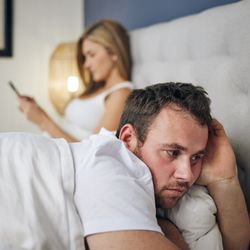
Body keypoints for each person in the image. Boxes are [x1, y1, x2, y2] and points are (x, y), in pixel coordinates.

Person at [1, 83, 249, 250]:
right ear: (128, 139)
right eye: (172, 152)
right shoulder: (114, 164)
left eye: (196, 157)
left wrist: (224, 180)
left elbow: (236, 246)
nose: (186, 175)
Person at [18, 19, 133, 142]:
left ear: (114, 52)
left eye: (92, 55)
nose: (86, 64)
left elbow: (94, 153)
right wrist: (39, 114)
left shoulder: (122, 94)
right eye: (85, 57)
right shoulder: (97, 89)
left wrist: (43, 120)